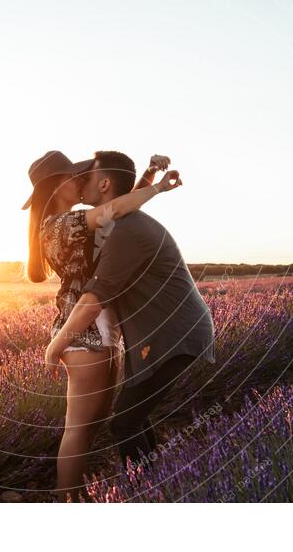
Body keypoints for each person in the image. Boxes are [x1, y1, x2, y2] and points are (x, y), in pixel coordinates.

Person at [44, 151, 215, 475]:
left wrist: (54, 346)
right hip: (169, 331)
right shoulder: (119, 223)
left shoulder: (124, 232)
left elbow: (93, 300)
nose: (81, 184)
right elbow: (121, 203)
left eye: (88, 178)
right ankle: (158, 486)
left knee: (125, 421)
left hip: (173, 334)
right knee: (132, 415)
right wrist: (150, 176)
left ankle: (147, 492)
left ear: (104, 184)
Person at [23, 150, 179, 502]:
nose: (81, 180)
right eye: (73, 176)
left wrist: (149, 174)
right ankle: (68, 501)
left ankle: (78, 496)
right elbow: (116, 210)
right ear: (56, 187)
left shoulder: (79, 219)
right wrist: (157, 189)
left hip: (103, 332)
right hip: (81, 335)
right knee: (78, 430)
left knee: (92, 427)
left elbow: (119, 206)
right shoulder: (58, 226)